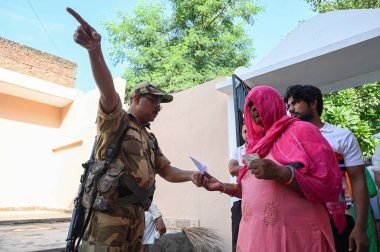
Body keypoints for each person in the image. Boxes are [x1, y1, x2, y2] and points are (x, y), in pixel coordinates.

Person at [67, 8, 201, 251]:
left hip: (137, 217)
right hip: (108, 218)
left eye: (160, 103)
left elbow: (167, 170)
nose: (158, 107)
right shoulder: (116, 121)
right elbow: (108, 92)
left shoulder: (149, 138)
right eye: (154, 101)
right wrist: (95, 51)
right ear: (136, 99)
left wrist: (192, 175)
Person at [194, 86, 343, 251]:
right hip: (256, 236)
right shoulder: (254, 146)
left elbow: (329, 184)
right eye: (249, 105)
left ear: (274, 103)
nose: (253, 109)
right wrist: (222, 186)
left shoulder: (302, 131)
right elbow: (253, 192)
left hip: (296, 236)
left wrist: (281, 173)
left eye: (258, 102)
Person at [284, 84, 370, 252]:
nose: (291, 109)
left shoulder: (342, 137)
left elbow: (358, 180)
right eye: (288, 106)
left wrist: (360, 227)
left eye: (295, 103)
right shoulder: (287, 138)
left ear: (313, 103)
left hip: (338, 220)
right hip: (298, 219)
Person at [228, 124, 246, 252]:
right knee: (237, 236)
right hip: (239, 202)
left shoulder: (259, 150)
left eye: (249, 130)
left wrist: (242, 170)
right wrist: (250, 168)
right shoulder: (238, 151)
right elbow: (232, 169)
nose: (247, 134)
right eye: (244, 131)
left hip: (257, 200)